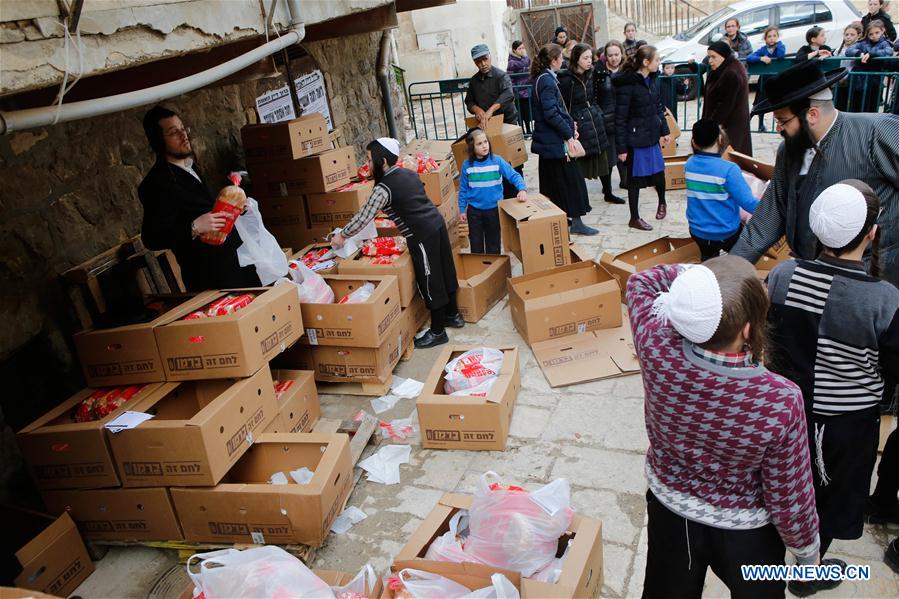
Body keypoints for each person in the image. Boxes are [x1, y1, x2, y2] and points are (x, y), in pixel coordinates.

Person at [627, 256, 820, 598]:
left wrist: (695, 277)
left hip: (671, 510)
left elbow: (639, 283)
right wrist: (806, 552)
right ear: (748, 329)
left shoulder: (655, 346)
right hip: (746, 533)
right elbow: (788, 494)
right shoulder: (780, 400)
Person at [766, 180, 899, 596]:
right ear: (872, 233)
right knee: (828, 501)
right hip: (848, 425)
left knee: (781, 487)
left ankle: (769, 563)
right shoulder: (884, 300)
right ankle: (807, 574)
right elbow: (894, 368)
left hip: (788, 413)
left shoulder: (783, 275)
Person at [729, 60, 899, 288]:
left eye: (782, 121)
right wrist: (729, 271)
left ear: (812, 114)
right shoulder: (788, 150)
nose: (779, 129)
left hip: (874, 273)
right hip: (813, 270)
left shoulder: (876, 133)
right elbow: (770, 215)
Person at [331, 138, 462, 349]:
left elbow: (364, 216)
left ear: (383, 161)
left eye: (369, 160)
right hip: (436, 223)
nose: (367, 165)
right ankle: (453, 315)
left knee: (430, 278)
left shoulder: (383, 188)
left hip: (421, 233)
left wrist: (342, 235)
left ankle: (438, 331)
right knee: (445, 269)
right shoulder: (408, 174)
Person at [138, 106, 261, 291]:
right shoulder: (156, 183)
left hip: (237, 263)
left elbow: (205, 208)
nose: (183, 135)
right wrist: (194, 227)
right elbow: (153, 237)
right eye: (173, 132)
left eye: (182, 129)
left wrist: (233, 208)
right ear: (158, 141)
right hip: (210, 278)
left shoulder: (191, 167)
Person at [529, 43, 597, 236]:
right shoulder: (546, 81)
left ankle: (561, 217)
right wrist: (568, 134)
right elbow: (551, 113)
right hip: (555, 142)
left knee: (554, 183)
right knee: (571, 181)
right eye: (561, 58)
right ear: (554, 60)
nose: (563, 61)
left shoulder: (542, 79)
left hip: (547, 143)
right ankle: (576, 221)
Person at [613, 45, 670, 231]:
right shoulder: (628, 85)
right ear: (646, 63)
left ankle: (662, 203)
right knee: (634, 181)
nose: (659, 63)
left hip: (652, 137)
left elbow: (658, 107)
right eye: (657, 60)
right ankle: (634, 218)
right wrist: (621, 149)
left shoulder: (651, 79)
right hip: (636, 140)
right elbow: (620, 118)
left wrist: (665, 130)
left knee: (659, 175)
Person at [685, 119, 759, 261]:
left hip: (697, 231)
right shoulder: (729, 170)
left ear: (694, 142)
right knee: (740, 261)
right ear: (720, 139)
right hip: (726, 233)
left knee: (709, 263)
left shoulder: (689, 164)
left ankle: (710, 273)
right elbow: (748, 202)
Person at [464, 43, 523, 199]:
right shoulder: (474, 81)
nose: (483, 64)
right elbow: (469, 101)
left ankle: (518, 194)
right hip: (488, 130)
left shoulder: (501, 76)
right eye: (478, 61)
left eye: (485, 59)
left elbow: (508, 94)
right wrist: (478, 111)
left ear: (490, 57)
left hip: (507, 125)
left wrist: (490, 111)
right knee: (494, 163)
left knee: (512, 164)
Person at [457, 128, 528, 254]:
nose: (484, 146)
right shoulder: (467, 165)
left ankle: (494, 270)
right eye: (479, 144)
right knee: (476, 247)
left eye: (485, 142)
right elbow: (463, 189)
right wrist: (462, 209)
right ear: (471, 147)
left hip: (494, 211)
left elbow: (514, 176)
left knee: (493, 245)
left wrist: (522, 189)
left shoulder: (497, 161)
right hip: (474, 213)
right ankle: (479, 271)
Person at [558, 44, 610, 192]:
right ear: (576, 59)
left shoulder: (591, 74)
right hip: (578, 121)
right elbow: (564, 104)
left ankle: (608, 191)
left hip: (594, 117)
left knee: (602, 156)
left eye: (590, 58)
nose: (589, 61)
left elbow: (594, 96)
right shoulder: (567, 79)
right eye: (585, 58)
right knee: (580, 158)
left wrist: (597, 111)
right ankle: (579, 194)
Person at [702, 40, 752, 156]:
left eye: (713, 57)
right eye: (709, 57)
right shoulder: (723, 69)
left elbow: (724, 106)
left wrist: (709, 129)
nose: (710, 61)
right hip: (726, 126)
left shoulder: (731, 73)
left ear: (723, 56)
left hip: (729, 128)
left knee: (729, 159)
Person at [595, 40, 628, 194]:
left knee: (625, 152)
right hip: (606, 119)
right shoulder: (599, 73)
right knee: (608, 157)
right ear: (605, 57)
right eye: (610, 55)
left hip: (624, 119)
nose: (614, 58)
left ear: (621, 54)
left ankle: (625, 181)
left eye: (616, 54)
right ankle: (607, 188)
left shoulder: (627, 71)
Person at [846, 19, 896, 112]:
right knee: (856, 105)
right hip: (858, 79)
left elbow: (888, 52)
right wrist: (859, 54)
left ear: (883, 30)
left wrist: (871, 54)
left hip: (874, 80)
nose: (874, 36)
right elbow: (849, 50)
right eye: (871, 34)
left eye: (877, 32)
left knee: (871, 106)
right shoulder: (862, 43)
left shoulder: (885, 43)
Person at [746, 26, 786, 132]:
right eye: (769, 36)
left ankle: (781, 123)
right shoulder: (763, 50)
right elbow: (749, 58)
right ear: (765, 38)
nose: (772, 38)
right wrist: (761, 58)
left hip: (777, 80)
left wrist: (779, 44)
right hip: (764, 80)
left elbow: (781, 55)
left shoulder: (780, 47)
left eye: (774, 36)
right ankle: (759, 124)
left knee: (778, 102)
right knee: (760, 102)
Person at [833, 22, 864, 111]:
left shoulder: (859, 48)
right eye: (846, 34)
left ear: (858, 36)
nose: (848, 37)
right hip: (840, 81)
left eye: (852, 35)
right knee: (840, 105)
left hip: (853, 81)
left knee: (853, 105)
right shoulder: (838, 49)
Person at [506, 40, 532, 135]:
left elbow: (528, 64)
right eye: (519, 48)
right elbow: (510, 77)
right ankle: (522, 131)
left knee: (527, 112)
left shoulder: (524, 58)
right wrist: (513, 90)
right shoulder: (512, 62)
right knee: (520, 113)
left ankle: (529, 130)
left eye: (523, 48)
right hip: (518, 91)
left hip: (527, 90)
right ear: (514, 50)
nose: (522, 50)